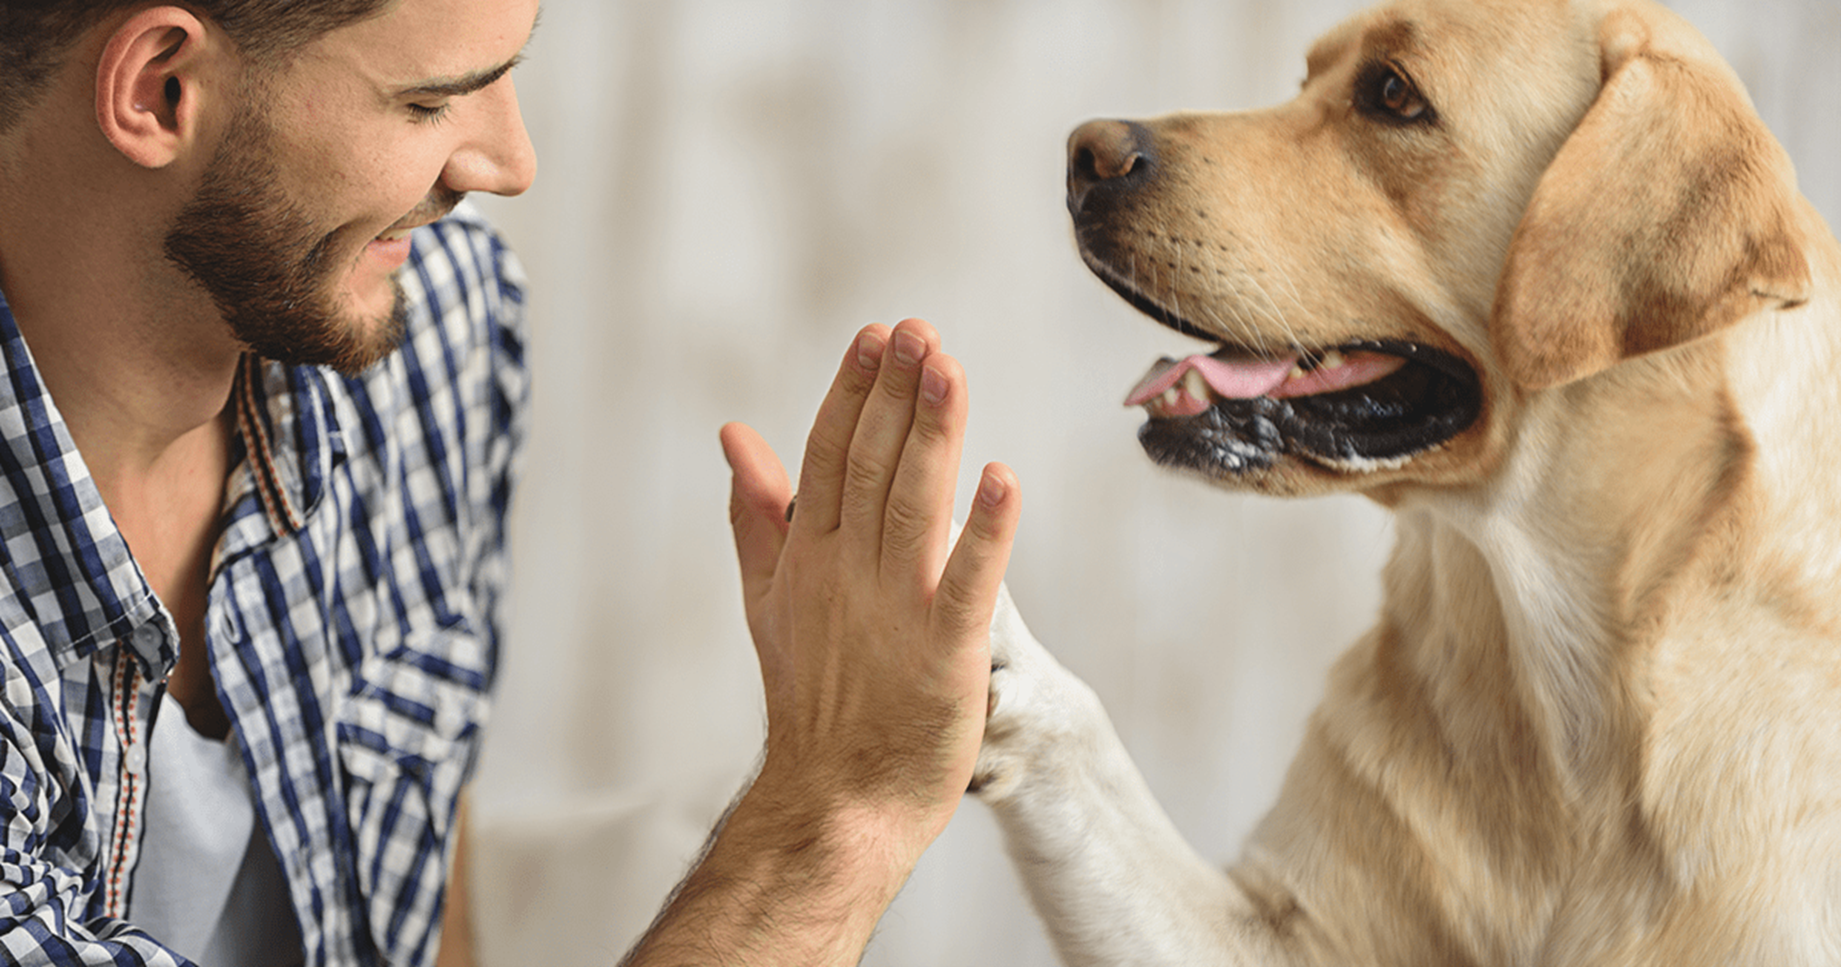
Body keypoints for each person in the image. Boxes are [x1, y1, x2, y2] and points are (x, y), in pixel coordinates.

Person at [0, 0, 1021, 965]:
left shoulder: (433, 332)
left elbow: (413, 887)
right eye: (429, 101)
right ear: (159, 91)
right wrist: (838, 812)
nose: (509, 164)